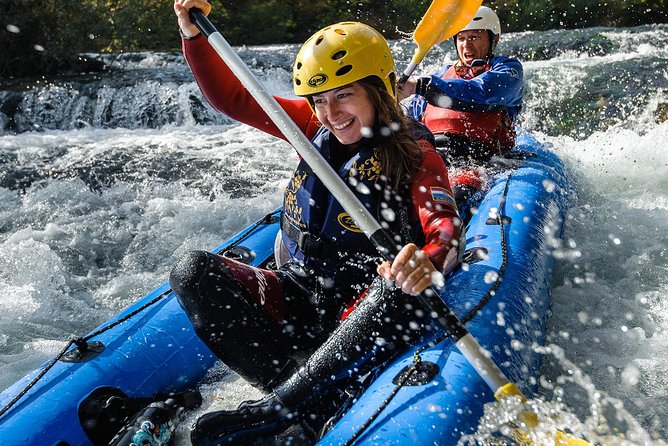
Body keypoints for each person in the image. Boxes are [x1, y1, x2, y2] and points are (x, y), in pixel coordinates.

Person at [172, 1, 461, 444]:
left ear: (380, 91)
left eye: (345, 94)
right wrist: (192, 35)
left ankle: (283, 408)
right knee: (191, 270)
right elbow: (233, 98)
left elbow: (442, 227)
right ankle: (293, 388)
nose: (331, 113)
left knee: (397, 284)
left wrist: (425, 261)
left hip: (363, 309)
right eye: (320, 100)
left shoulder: (415, 155)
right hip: (301, 295)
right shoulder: (311, 127)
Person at [398, 5, 523, 208]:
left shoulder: (509, 70)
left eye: (474, 37)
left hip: (479, 161)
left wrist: (420, 86)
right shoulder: (440, 76)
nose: (467, 45)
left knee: (456, 197)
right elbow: (411, 120)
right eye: (462, 38)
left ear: (494, 39)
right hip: (434, 157)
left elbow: (482, 92)